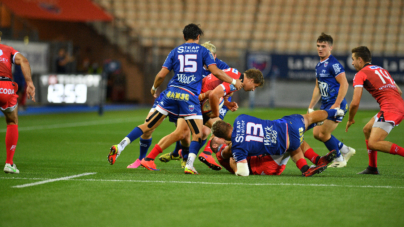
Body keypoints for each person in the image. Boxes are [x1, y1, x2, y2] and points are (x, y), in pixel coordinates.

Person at [108, 24, 243, 174]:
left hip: (170, 93)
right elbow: (216, 72)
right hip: (189, 96)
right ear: (198, 37)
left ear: (184, 37)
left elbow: (160, 75)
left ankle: (120, 146)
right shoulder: (203, 51)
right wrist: (233, 81)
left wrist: (153, 88)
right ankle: (189, 165)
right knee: (198, 133)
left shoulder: (175, 51)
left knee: (148, 125)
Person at [156, 67, 264, 173]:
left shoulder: (234, 73)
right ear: (251, 80)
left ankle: (186, 158)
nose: (253, 89)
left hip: (195, 98)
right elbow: (213, 94)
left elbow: (217, 90)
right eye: (255, 86)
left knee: (202, 132)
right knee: (209, 129)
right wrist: (216, 113)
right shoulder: (234, 81)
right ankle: (151, 159)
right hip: (195, 100)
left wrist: (227, 103)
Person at [210, 108, 344, 176]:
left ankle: (308, 167)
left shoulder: (237, 148)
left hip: (281, 147)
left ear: (222, 138)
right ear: (228, 124)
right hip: (286, 125)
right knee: (308, 118)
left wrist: (235, 163)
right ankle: (335, 112)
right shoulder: (240, 118)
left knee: (294, 142)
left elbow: (243, 171)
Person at [346, 46, 404, 175]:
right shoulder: (381, 69)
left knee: (374, 143)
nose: (352, 63)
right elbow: (399, 91)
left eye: (353, 59)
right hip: (397, 105)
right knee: (367, 129)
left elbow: (355, 103)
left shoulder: (360, 74)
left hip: (391, 108)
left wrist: (350, 119)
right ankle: (372, 167)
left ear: (360, 60)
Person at [307, 33, 355, 168]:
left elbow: (344, 84)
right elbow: (318, 86)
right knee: (317, 133)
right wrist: (311, 105)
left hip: (336, 105)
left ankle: (339, 158)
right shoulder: (319, 65)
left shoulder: (334, 64)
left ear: (330, 47)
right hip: (326, 105)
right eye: (318, 46)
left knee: (323, 133)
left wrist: (337, 104)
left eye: (323, 46)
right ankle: (345, 150)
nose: (320, 49)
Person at [0, 35, 36, 174]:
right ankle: (9, 163)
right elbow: (24, 61)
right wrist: (30, 83)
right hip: (5, 87)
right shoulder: (8, 50)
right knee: (12, 121)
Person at [212, 139, 336, 176]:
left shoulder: (230, 144)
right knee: (292, 142)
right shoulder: (221, 152)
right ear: (215, 145)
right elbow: (230, 152)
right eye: (221, 137)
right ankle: (306, 169)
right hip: (262, 166)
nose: (224, 137)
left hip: (267, 162)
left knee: (296, 139)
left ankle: (317, 160)